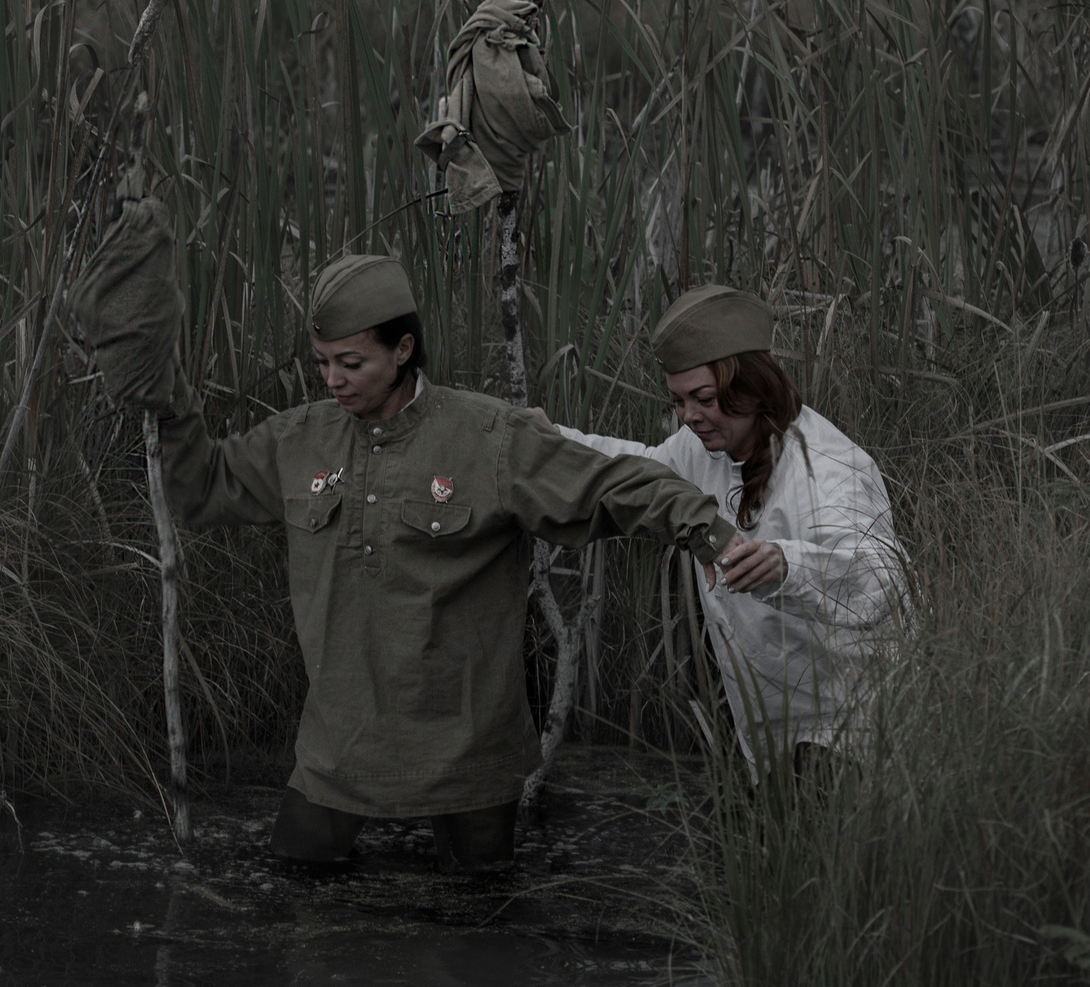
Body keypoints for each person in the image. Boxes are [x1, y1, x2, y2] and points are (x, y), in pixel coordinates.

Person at [137, 252, 738, 874]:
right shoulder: (298, 441)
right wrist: (165, 396)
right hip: (340, 747)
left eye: (351, 363)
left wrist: (705, 530)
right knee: (297, 890)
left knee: (478, 925)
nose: (332, 380)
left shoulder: (489, 438)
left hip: (468, 751)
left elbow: (610, 484)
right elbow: (199, 486)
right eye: (322, 363)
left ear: (402, 350)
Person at [544, 285, 907, 780]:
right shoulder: (701, 451)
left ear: (751, 387)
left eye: (704, 399)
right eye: (678, 401)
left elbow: (880, 580)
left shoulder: (830, 470)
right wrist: (549, 442)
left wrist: (787, 565)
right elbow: (637, 471)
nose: (689, 416)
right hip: (767, 738)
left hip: (850, 738)